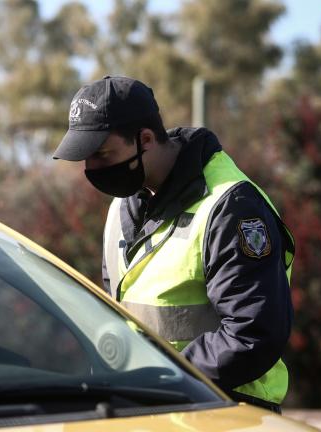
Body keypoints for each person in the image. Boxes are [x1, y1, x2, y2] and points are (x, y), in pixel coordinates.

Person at [52, 76, 294, 413]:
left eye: (102, 154)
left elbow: (252, 334)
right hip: (150, 408)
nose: (92, 169)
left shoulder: (230, 206)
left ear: (146, 139)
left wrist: (163, 379)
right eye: (85, 159)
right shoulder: (120, 207)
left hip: (226, 412)